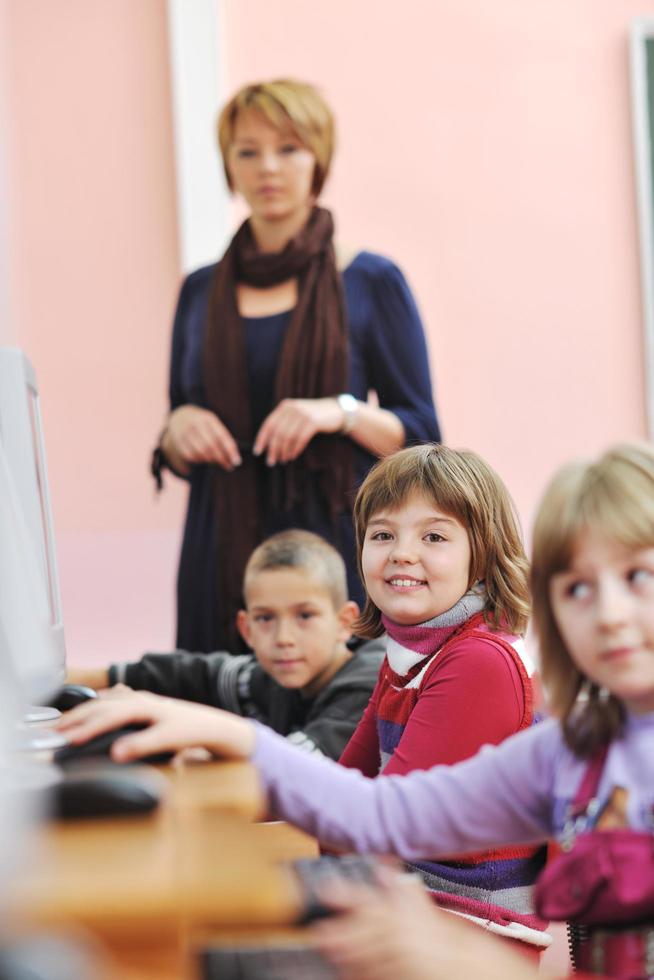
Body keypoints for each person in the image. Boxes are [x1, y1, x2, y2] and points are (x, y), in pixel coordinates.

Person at [59, 441, 654, 978]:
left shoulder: (480, 664)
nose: (608, 613)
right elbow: (377, 812)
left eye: (637, 576)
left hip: (462, 928)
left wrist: (481, 965)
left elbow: (368, 829)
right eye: (577, 587)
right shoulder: (570, 749)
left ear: (485, 556)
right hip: (425, 922)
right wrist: (222, 741)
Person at [153, 78, 440, 653]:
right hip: (221, 555)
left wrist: (337, 412)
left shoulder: (370, 281)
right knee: (217, 718)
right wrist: (177, 428)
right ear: (229, 167)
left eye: (288, 149)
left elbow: (422, 436)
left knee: (336, 731)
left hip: (333, 553)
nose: (268, 168)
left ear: (318, 160)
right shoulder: (199, 291)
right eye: (248, 151)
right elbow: (179, 424)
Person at [67, 530, 384, 761]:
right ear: (246, 630)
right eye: (265, 619)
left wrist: (187, 742)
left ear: (344, 622)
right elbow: (201, 675)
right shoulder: (280, 676)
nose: (284, 638)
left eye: (304, 615)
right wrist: (84, 678)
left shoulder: (368, 684)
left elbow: (296, 765)